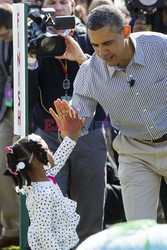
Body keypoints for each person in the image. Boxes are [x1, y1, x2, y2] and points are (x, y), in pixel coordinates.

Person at [58, 5, 167, 221]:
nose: (102, 52)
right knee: (138, 232)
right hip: (134, 153)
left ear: (125, 32)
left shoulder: (161, 47)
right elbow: (77, 127)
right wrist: (68, 130)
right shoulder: (89, 72)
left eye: (107, 43)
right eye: (95, 45)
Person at [28, 0, 107, 246]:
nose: (59, 8)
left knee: (90, 211)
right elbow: (29, 98)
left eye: (64, 2)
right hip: (50, 137)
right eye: (52, 3)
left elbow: (108, 87)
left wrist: (82, 58)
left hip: (88, 132)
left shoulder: (89, 37)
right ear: (41, 7)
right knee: (50, 209)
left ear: (73, 5)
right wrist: (32, 58)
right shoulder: (34, 41)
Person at [6, 99, 84, 250]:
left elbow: (60, 157)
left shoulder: (46, 177)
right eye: (47, 150)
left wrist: (72, 136)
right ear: (36, 160)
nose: (51, 152)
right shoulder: (40, 194)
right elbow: (43, 233)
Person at [0, 3, 19, 248]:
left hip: (31, 113)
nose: (3, 38)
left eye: (5, 33)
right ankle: (12, 227)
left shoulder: (29, 37)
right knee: (3, 164)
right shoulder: (2, 41)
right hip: (7, 110)